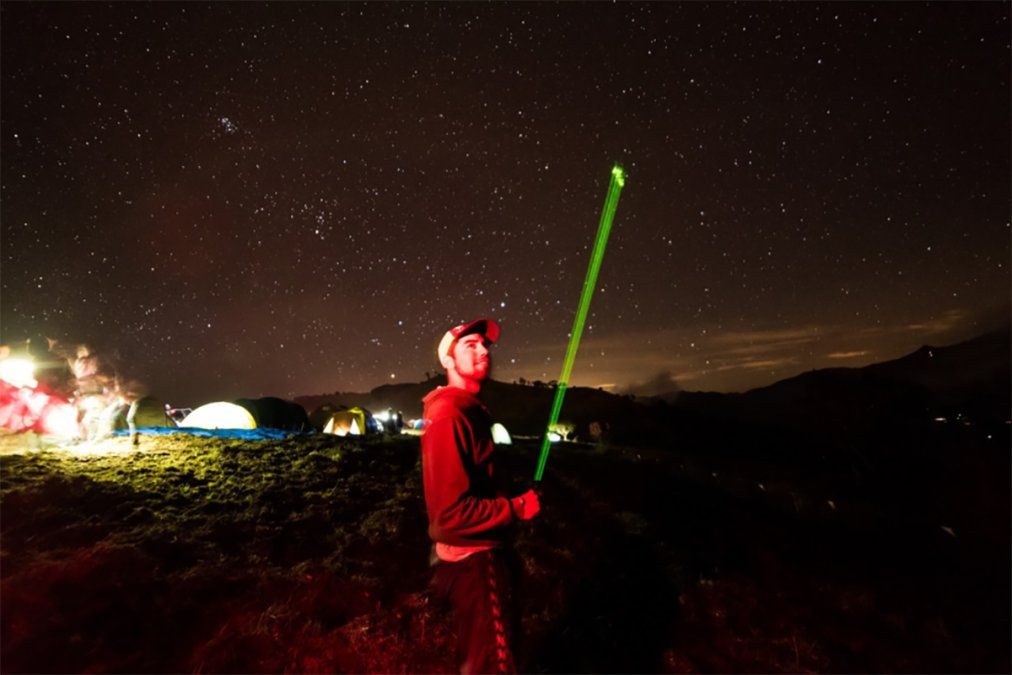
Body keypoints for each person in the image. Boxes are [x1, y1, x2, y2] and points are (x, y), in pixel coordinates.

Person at [421, 318, 541, 675]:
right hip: (474, 563)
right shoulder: (450, 414)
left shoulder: (466, 410)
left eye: (485, 345)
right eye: (470, 345)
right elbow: (450, 515)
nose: (483, 350)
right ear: (447, 360)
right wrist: (516, 508)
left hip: (469, 558)